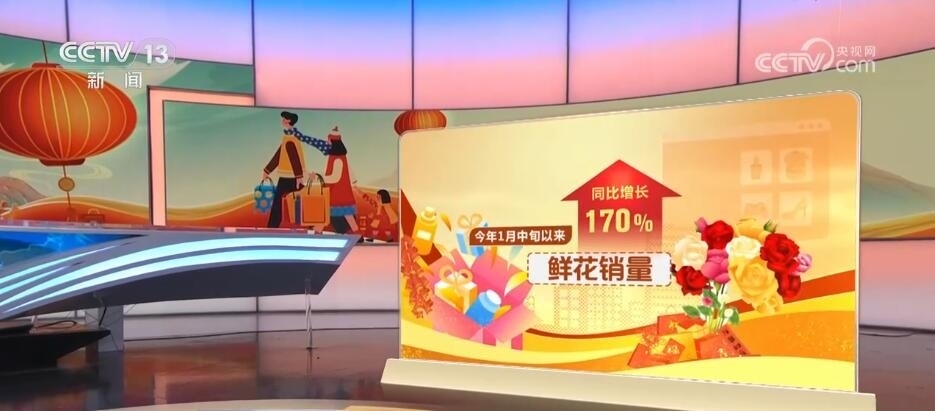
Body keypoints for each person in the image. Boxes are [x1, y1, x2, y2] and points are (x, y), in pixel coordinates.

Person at [310, 127, 358, 235]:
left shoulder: (337, 159)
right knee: (344, 213)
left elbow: (335, 177)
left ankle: (318, 231)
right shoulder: (340, 157)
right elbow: (349, 172)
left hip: (338, 190)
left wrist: (318, 176)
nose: (327, 142)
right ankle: (318, 231)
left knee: (333, 211)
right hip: (340, 190)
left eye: (328, 140)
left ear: (332, 141)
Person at [262, 111, 306, 228]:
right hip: (291, 176)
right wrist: (267, 170)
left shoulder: (290, 138)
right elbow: (279, 155)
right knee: (290, 202)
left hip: (289, 177)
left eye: (284, 118)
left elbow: (294, 158)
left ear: (289, 121)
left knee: (279, 203)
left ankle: (272, 227)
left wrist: (299, 177)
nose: (282, 120)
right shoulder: (289, 137)